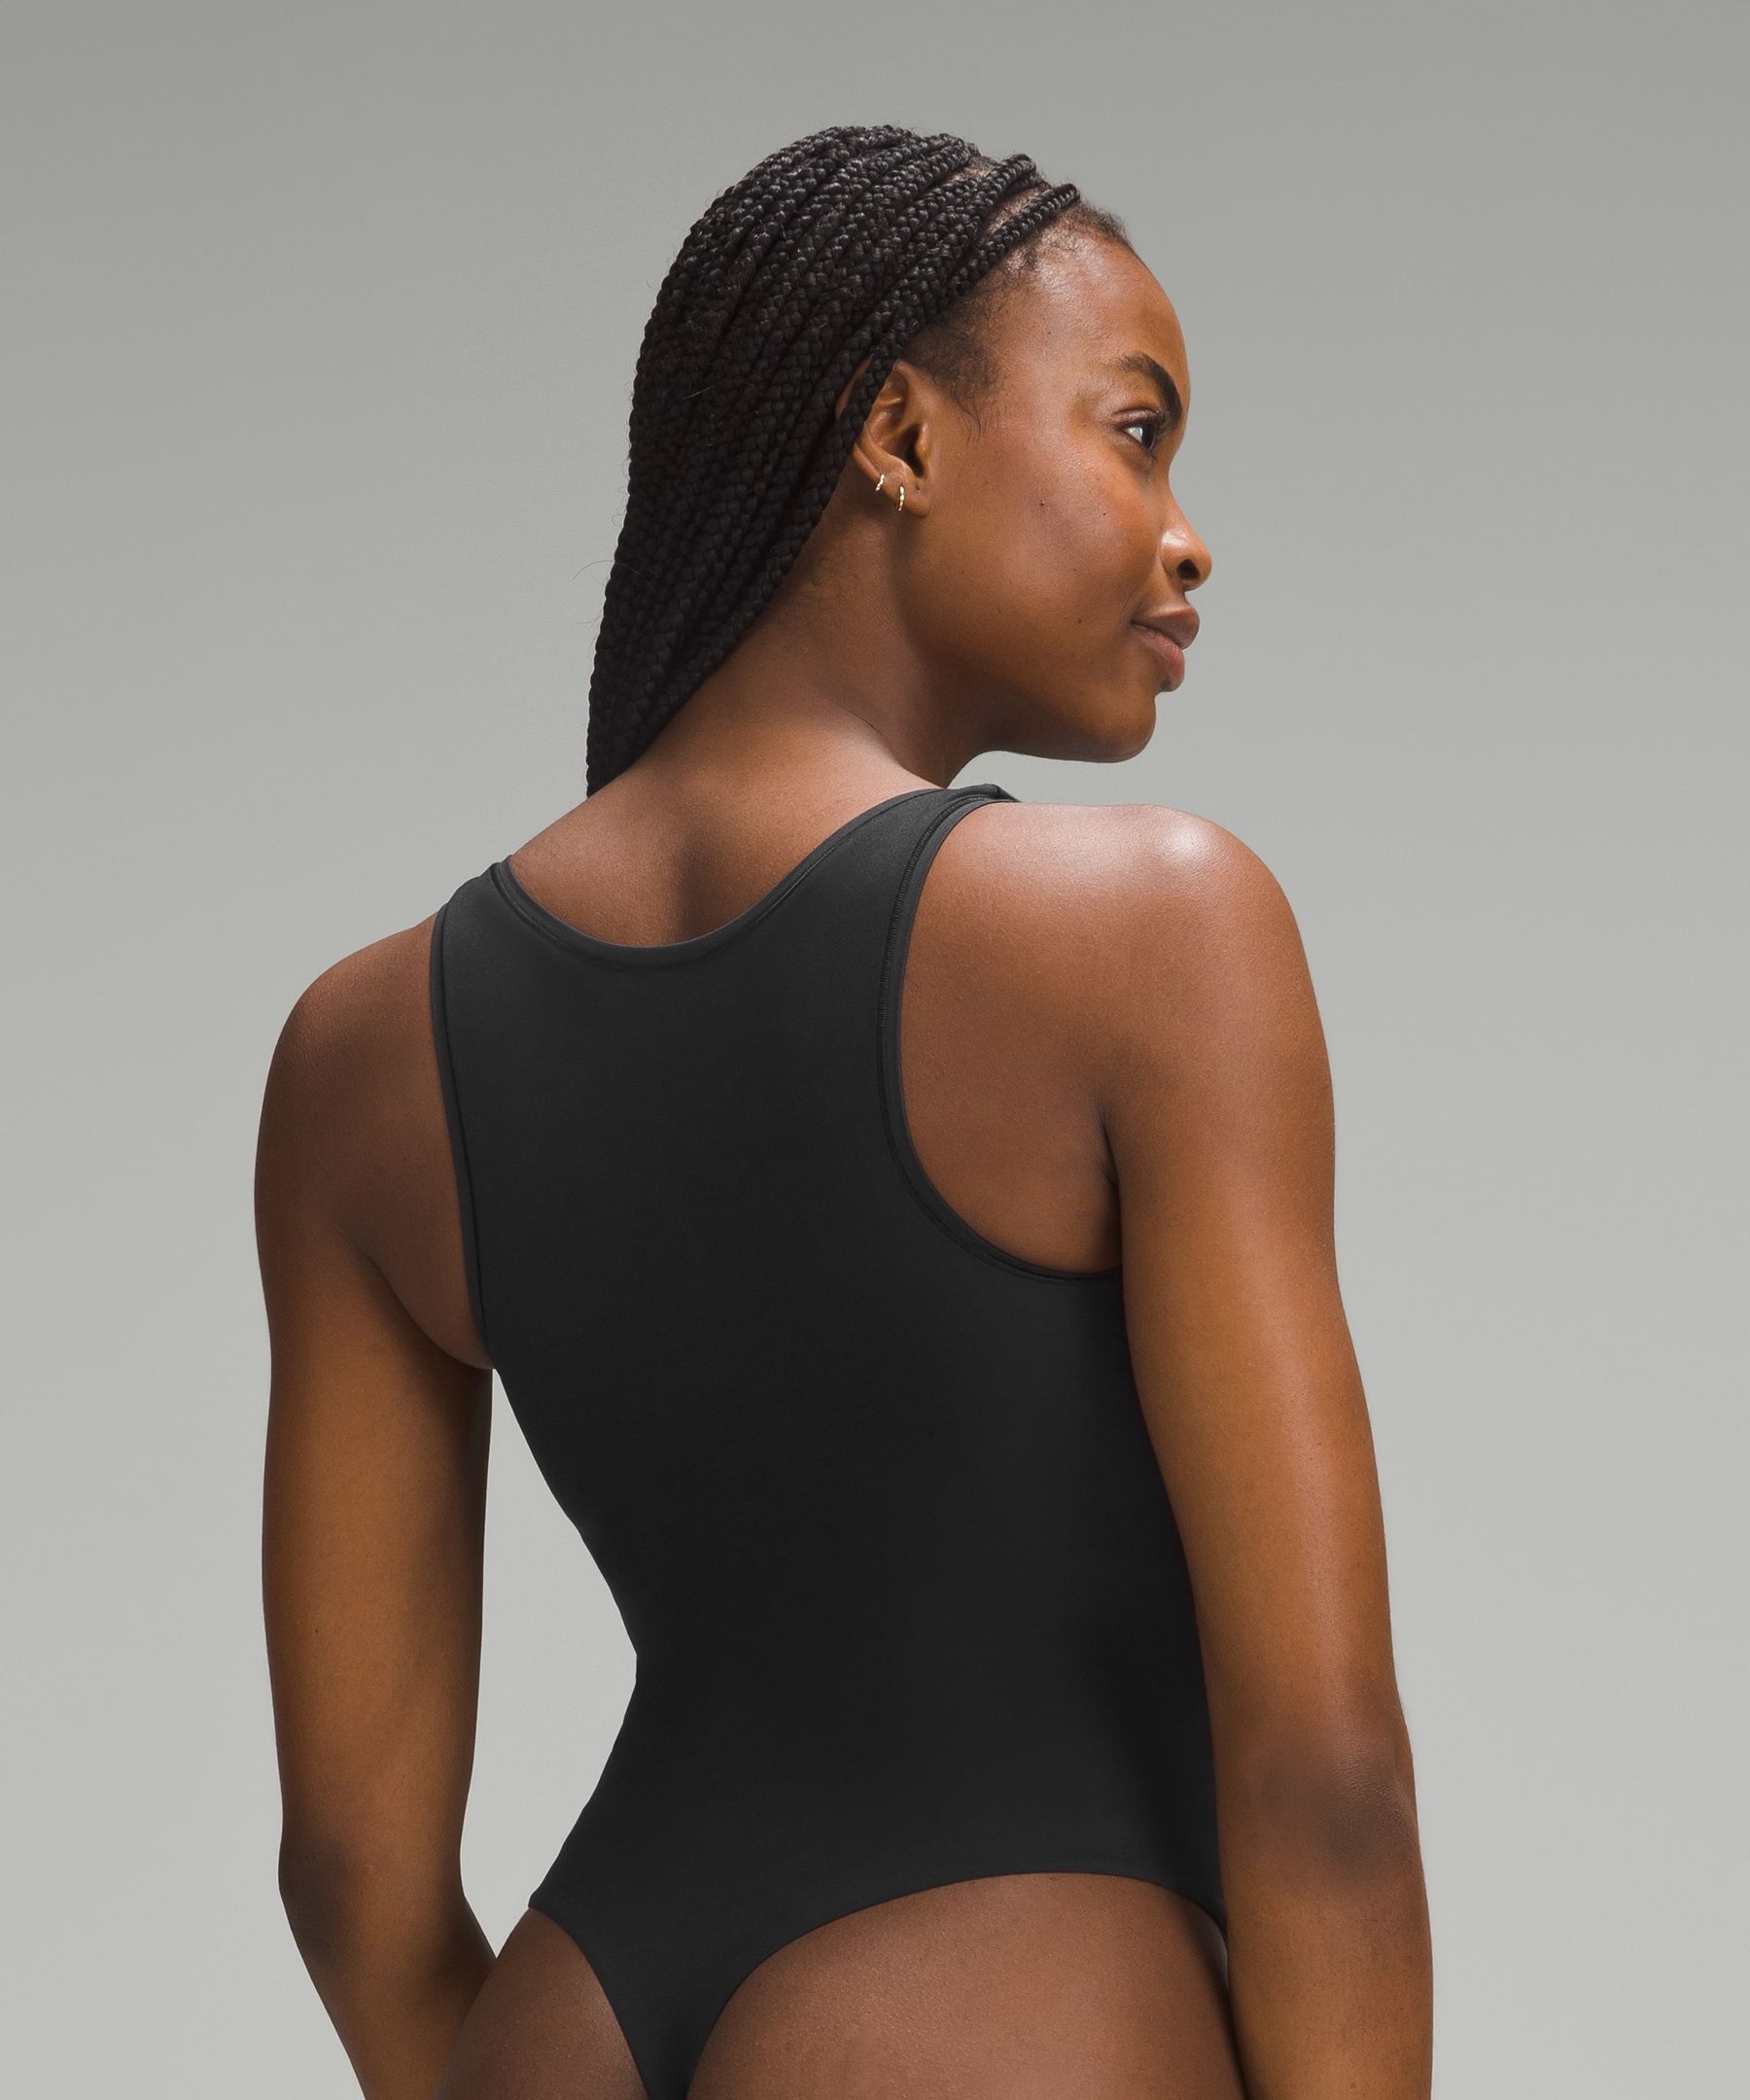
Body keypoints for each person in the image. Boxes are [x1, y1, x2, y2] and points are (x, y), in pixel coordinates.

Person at [255, 123, 1432, 2100]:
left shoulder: (363, 1055)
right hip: (1006, 2010)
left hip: (571, 2021)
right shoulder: (1153, 930)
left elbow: (353, 1875)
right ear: (897, 432)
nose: (1186, 536)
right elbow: (1324, 1775)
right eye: (1137, 432)